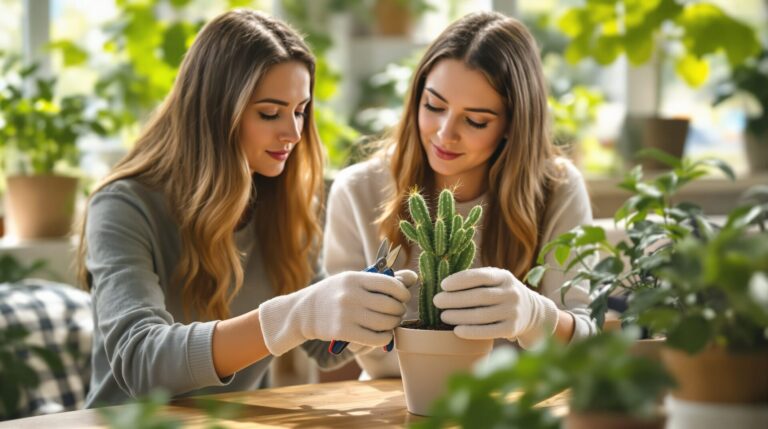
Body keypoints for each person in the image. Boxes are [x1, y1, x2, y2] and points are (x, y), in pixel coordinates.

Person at [76, 10, 415, 407]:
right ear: (215, 113)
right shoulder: (123, 206)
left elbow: (327, 348)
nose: (293, 132)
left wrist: (375, 305)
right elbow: (141, 363)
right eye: (269, 113)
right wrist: (294, 315)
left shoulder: (282, 203)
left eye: (300, 110)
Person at [324, 11, 597, 378]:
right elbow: (341, 341)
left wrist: (535, 316)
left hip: (513, 404)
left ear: (511, 125)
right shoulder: (358, 189)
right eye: (433, 106)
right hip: (397, 404)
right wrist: (355, 317)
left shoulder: (558, 189)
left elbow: (589, 347)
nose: (444, 133)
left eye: (476, 120)